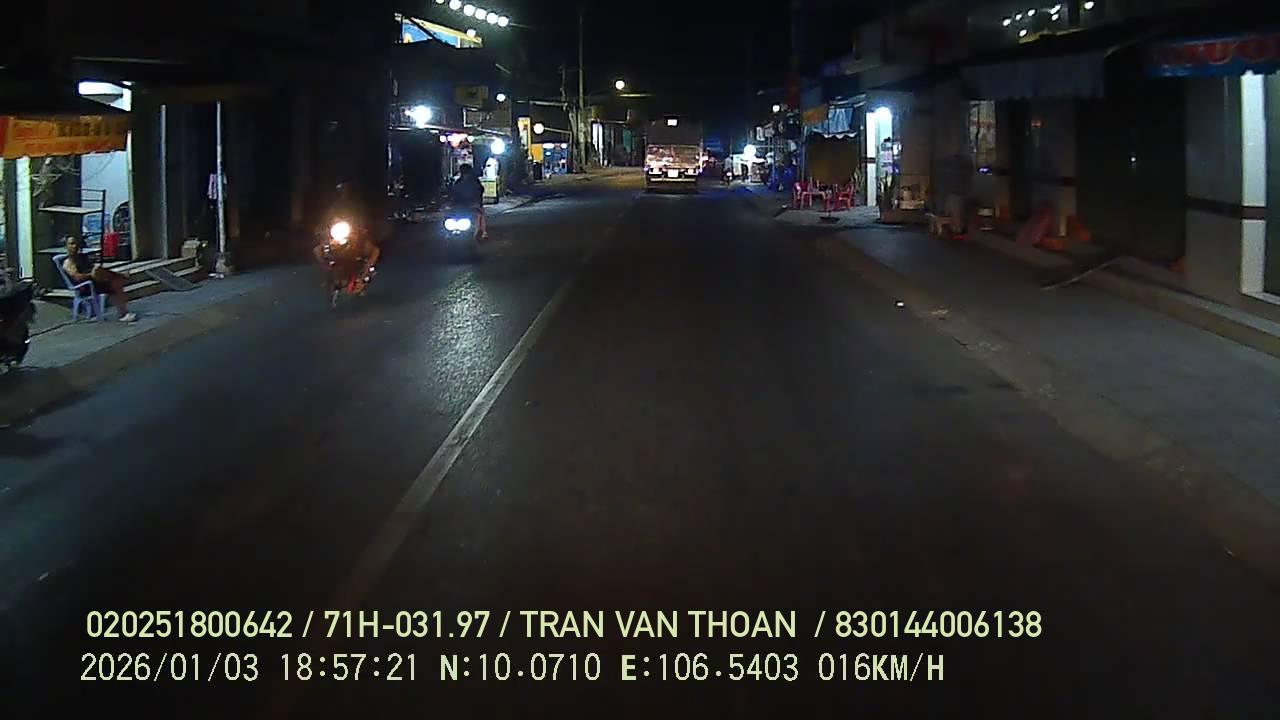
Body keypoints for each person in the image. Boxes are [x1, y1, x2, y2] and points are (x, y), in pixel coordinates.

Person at [61, 236, 136, 322]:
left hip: (94, 282)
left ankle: (123, 313)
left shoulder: (82, 258)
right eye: (72, 244)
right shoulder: (69, 262)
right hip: (85, 287)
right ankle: (123, 313)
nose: (75, 246)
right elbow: (77, 278)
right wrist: (90, 275)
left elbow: (91, 267)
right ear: (66, 246)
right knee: (112, 281)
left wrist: (94, 273)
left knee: (112, 280)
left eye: (76, 243)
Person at [448, 163, 487, 240]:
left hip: (470, 205)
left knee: (479, 215)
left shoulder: (469, 181)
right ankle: (483, 232)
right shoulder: (469, 181)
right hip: (463, 206)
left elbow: (479, 190)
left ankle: (483, 232)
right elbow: (453, 192)